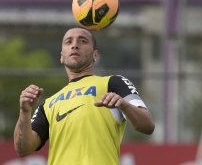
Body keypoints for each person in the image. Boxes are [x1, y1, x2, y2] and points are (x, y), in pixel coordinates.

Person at [14, 27, 155, 165]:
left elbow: (147, 125)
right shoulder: (48, 104)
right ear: (62, 57)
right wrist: (25, 111)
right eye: (68, 42)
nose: (75, 45)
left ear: (95, 55)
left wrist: (124, 105)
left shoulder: (113, 83)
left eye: (82, 41)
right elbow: (23, 149)